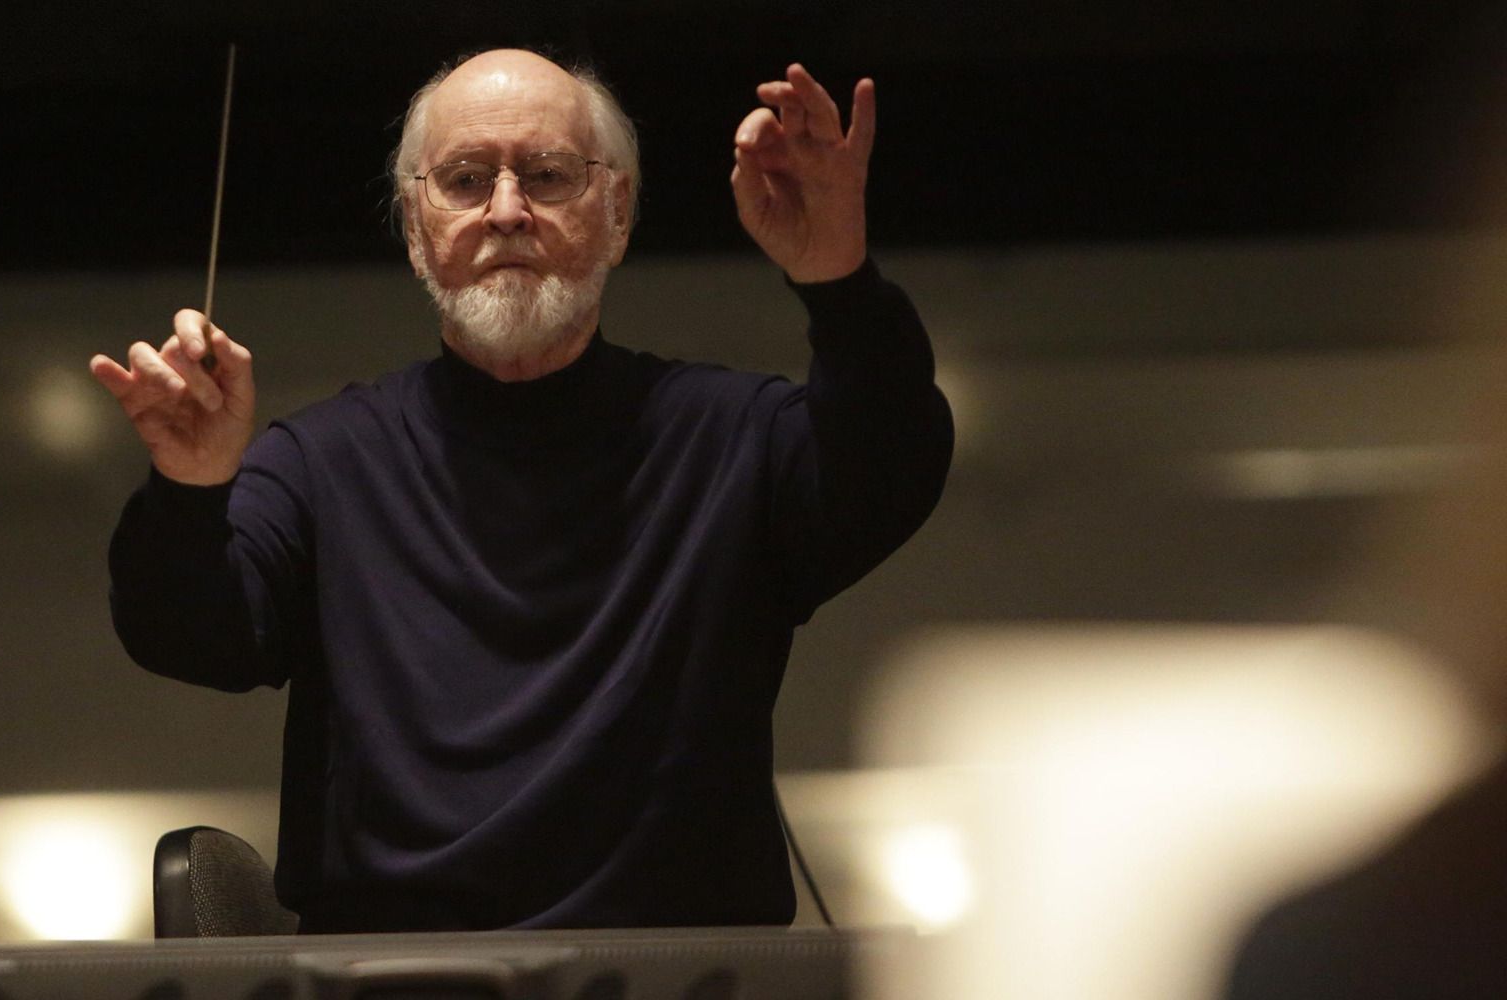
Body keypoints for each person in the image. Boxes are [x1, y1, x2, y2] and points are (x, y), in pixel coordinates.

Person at [90, 48, 954, 932]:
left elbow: (890, 468)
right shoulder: (324, 463)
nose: (507, 211)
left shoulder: (730, 437)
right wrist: (192, 486)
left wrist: (838, 277)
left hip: (675, 980)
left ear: (617, 216)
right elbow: (193, 639)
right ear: (417, 227)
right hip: (393, 984)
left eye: (547, 176)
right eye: (465, 181)